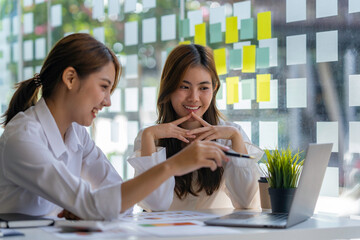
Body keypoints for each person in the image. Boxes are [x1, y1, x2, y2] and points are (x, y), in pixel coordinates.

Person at [0, 34, 230, 220]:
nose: (107, 101)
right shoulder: (22, 138)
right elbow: (93, 203)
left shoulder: (76, 133)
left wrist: (93, 207)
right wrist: (172, 166)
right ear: (70, 79)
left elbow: (122, 199)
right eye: (103, 86)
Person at [128, 44, 264, 211]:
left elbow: (247, 202)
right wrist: (149, 136)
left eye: (203, 88)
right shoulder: (150, 136)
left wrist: (235, 137)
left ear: (214, 89)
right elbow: (154, 205)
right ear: (168, 88)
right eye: (184, 87)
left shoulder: (230, 134)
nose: (194, 98)